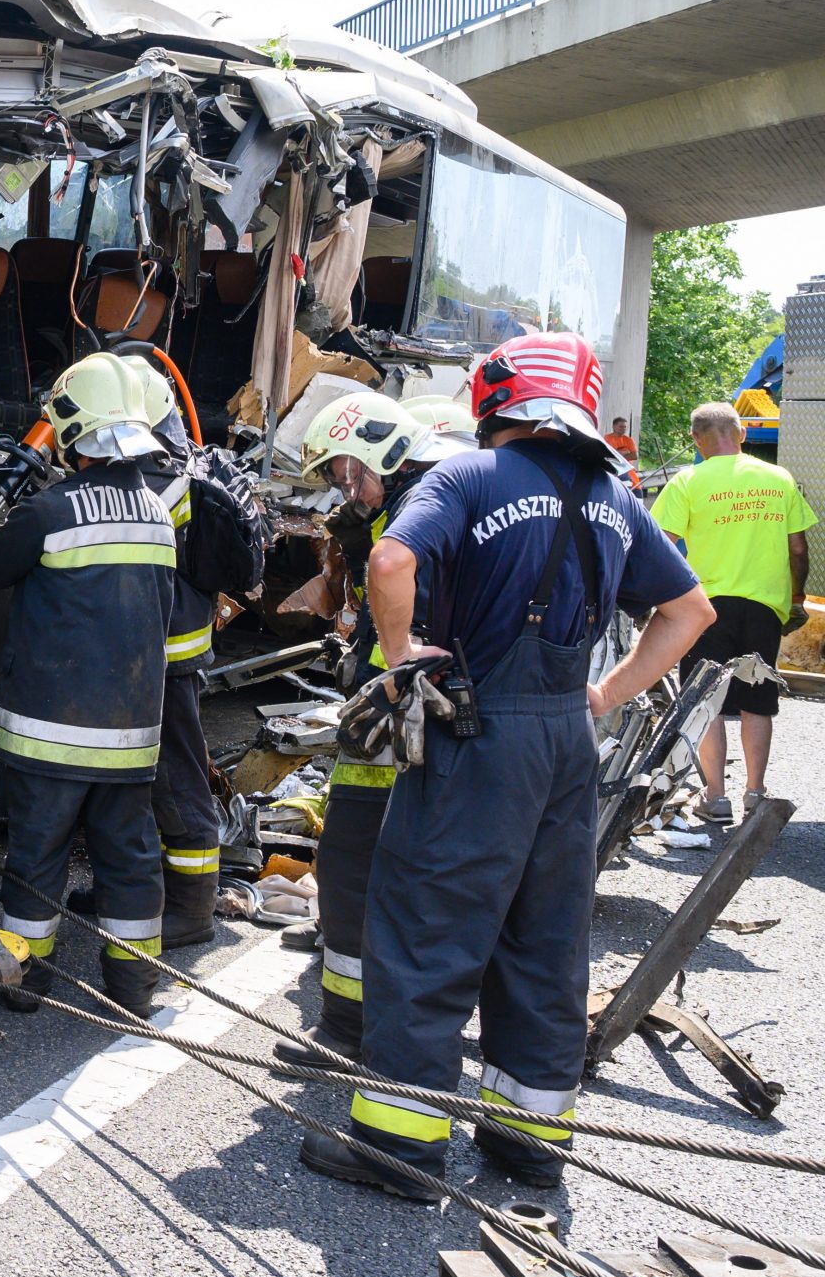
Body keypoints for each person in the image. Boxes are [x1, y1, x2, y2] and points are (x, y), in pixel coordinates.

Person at [301, 333, 713, 1200]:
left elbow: (389, 558)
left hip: (477, 733)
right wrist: (606, 692)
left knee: (428, 928)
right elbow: (689, 611)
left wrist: (399, 650)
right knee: (545, 936)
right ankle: (529, 1140)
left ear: (497, 400)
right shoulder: (616, 493)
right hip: (567, 738)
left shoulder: (464, 476)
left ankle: (399, 1149)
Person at [0, 352, 177, 1017]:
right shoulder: (159, 516)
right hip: (131, 737)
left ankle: (25, 983)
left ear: (75, 431)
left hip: (48, 734)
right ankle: (133, 988)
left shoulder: (49, 512)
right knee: (130, 857)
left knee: (38, 856)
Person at [278, 390, 450, 1068]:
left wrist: (383, 671)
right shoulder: (422, 503)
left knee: (350, 869)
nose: (347, 490)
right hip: (408, 717)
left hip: (398, 723)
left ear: (384, 450)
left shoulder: (417, 514)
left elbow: (404, 613)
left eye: (351, 473)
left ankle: (346, 1029)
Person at [68, 353, 222, 949]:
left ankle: (191, 909)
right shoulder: (165, 469)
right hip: (140, 655)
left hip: (166, 660)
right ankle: (132, 890)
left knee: (176, 780)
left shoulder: (164, 481)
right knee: (125, 780)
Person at [652, 402, 815, 825]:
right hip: (764, 607)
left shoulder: (688, 481)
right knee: (758, 699)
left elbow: (659, 547)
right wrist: (796, 599)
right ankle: (755, 794)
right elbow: (798, 549)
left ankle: (716, 797)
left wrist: (661, 600)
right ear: (741, 434)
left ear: (695, 439)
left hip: (706, 607)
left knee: (706, 698)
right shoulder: (778, 479)